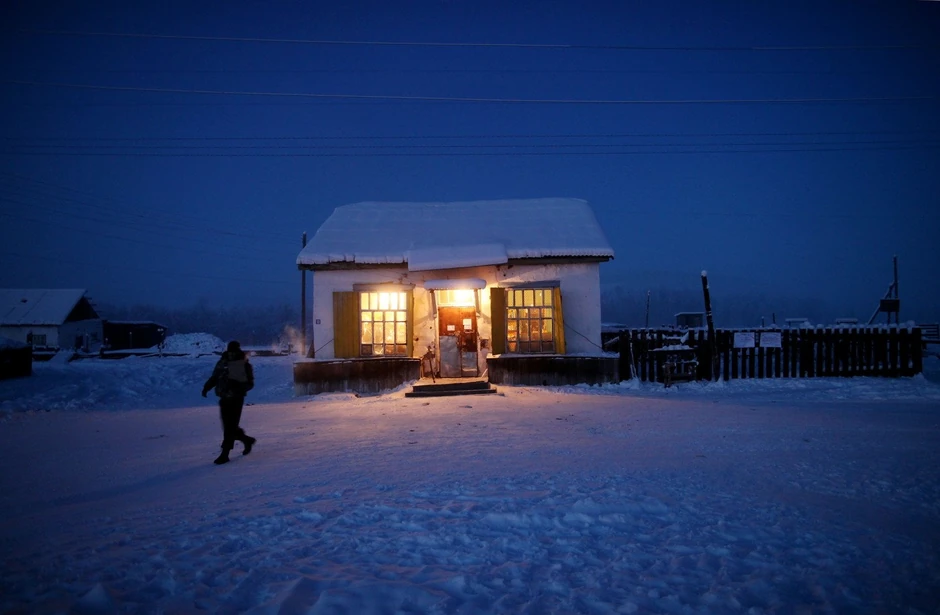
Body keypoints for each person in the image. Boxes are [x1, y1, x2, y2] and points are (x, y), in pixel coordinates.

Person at [202, 340, 256, 465]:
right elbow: (215, 376)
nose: (231, 354)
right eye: (230, 351)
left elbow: (250, 384)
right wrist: (207, 387)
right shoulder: (222, 362)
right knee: (228, 426)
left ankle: (225, 453)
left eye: (233, 351)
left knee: (230, 427)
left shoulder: (244, 365)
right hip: (224, 398)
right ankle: (247, 440)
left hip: (236, 399)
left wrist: (239, 387)